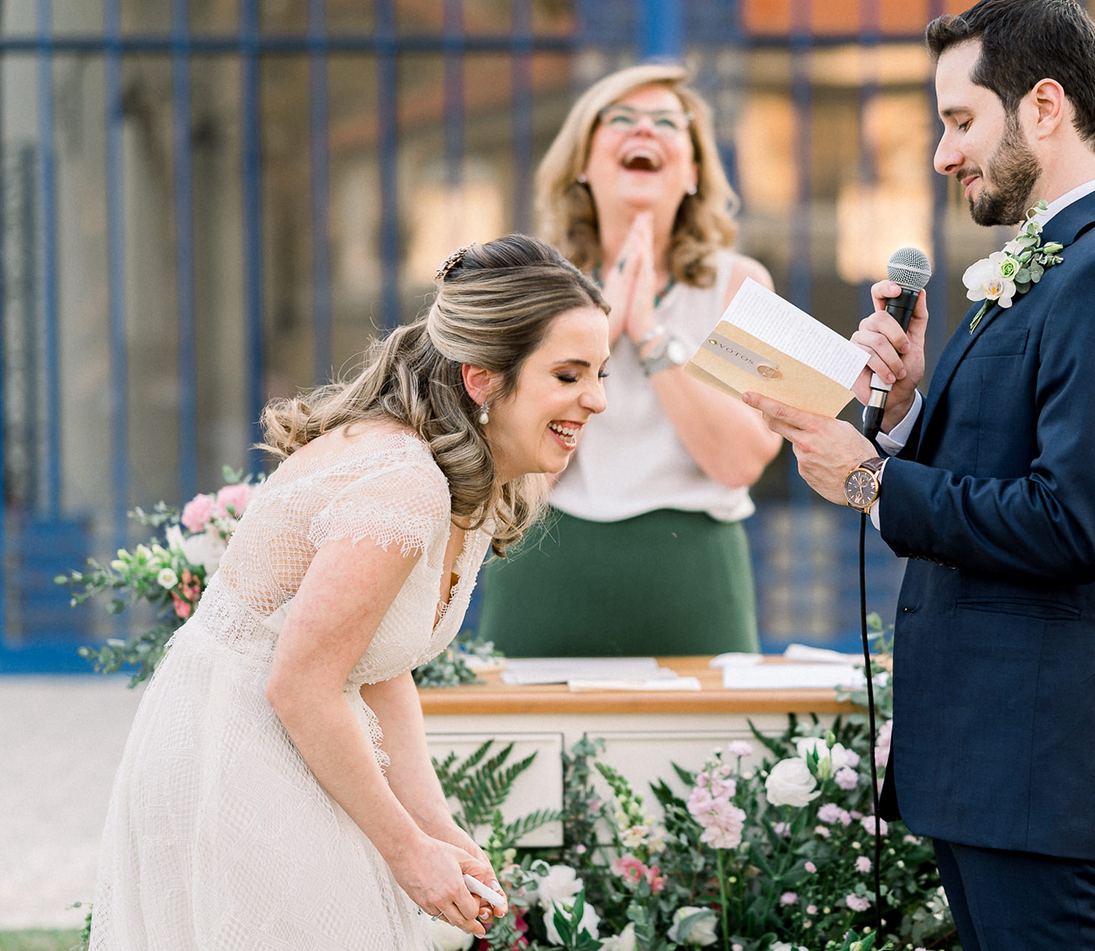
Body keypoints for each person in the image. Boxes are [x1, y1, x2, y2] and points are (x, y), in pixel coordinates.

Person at [745, 0, 1095, 950]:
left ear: (1044, 106)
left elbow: (1070, 523)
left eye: (960, 120)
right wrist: (907, 413)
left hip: (1039, 768)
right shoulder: (1051, 264)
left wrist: (871, 481)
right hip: (991, 770)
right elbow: (1013, 464)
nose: (943, 153)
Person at [90, 235, 610, 949]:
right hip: (234, 747)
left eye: (601, 374)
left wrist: (437, 828)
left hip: (298, 735)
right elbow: (301, 684)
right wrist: (406, 852)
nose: (598, 400)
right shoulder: (403, 481)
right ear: (483, 378)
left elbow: (378, 664)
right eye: (569, 374)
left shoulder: (475, 480)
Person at [477, 65, 781, 657]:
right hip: (546, 571)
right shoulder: (525, 286)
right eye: (621, 121)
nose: (644, 131)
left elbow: (742, 460)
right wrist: (605, 326)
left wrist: (651, 332)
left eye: (668, 124)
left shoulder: (742, 285)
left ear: (692, 170)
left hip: (696, 581)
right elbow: (509, 461)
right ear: (584, 164)